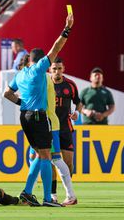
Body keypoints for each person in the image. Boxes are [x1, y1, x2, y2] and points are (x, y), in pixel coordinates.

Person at [3, 12, 74, 207]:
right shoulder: (37, 70)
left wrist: (22, 104)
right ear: (41, 61)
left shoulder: (21, 74)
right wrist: (67, 29)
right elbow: (56, 48)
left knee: (38, 154)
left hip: (24, 116)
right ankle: (47, 199)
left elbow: (6, 94)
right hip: (38, 117)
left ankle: (27, 192)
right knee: (46, 156)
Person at [49, 57, 82, 204]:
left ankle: (68, 193)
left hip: (66, 129)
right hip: (50, 129)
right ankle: (53, 194)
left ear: (64, 69)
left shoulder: (70, 85)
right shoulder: (45, 84)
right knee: (52, 163)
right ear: (50, 69)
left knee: (68, 163)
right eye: (54, 69)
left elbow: (78, 101)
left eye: (59, 69)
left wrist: (77, 113)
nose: (57, 72)